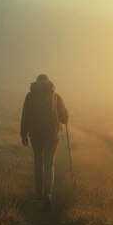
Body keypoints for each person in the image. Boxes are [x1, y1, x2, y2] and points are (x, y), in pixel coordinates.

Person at [20, 74, 69, 211]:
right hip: (52, 134)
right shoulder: (55, 96)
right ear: (49, 83)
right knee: (49, 162)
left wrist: (23, 134)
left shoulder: (30, 96)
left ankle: (39, 192)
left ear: (36, 82)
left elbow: (25, 116)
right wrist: (65, 116)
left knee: (38, 160)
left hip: (35, 134)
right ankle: (48, 193)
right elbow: (64, 118)